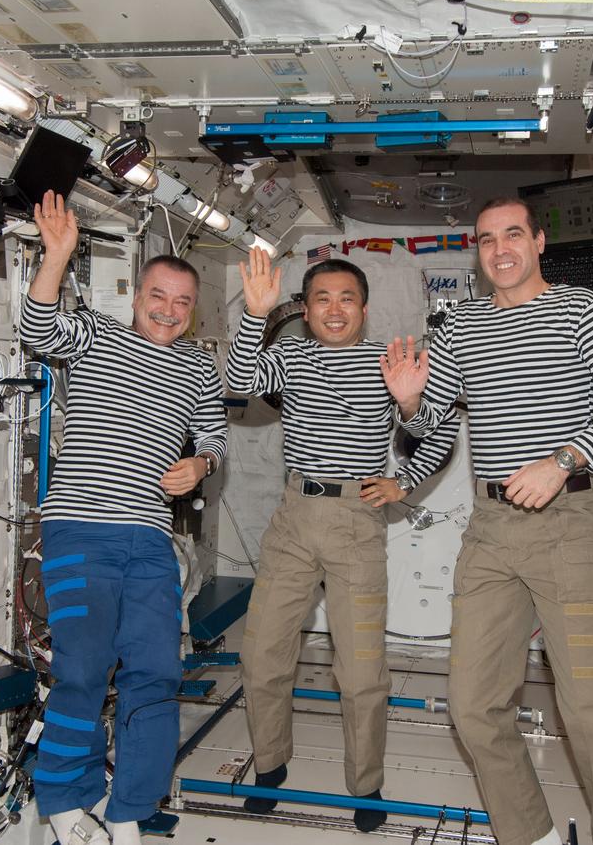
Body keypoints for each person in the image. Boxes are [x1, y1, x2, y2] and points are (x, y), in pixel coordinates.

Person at [380, 197, 593, 845]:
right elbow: (433, 430)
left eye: (512, 235)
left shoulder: (581, 311)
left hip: (567, 523)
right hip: (491, 532)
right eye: (485, 239)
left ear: (537, 240)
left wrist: (564, 460)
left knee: (591, 714)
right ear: (476, 253)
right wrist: (411, 402)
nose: (499, 249)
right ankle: (531, 836)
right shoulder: (463, 328)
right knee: (473, 709)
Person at [20, 191, 227, 845]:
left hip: (148, 541)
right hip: (79, 530)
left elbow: (215, 438)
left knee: (158, 672)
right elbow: (38, 327)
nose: (167, 309)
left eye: (181, 302)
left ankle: (129, 810)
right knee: (81, 669)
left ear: (193, 314)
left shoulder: (198, 370)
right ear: (137, 295)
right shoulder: (96, 334)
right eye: (157, 295)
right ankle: (62, 798)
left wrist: (202, 467)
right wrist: (55, 257)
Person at [226, 250, 459, 833]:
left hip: (357, 521)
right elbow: (237, 381)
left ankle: (366, 782)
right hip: (295, 517)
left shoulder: (392, 362)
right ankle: (271, 764)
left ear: (365, 307)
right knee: (261, 656)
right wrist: (254, 315)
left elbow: (438, 431)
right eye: (322, 300)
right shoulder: (290, 353)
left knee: (361, 669)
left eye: (346, 298)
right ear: (305, 310)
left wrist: (404, 460)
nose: (334, 310)